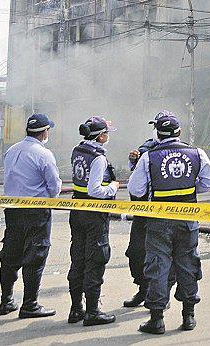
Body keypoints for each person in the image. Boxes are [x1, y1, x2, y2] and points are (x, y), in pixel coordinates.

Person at [127, 111, 210, 335]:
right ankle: (188, 316)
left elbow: (135, 189)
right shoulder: (197, 153)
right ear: (179, 132)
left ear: (157, 133)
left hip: (158, 221)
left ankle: (156, 320)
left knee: (158, 266)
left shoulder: (148, 157)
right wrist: (190, 188)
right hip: (187, 218)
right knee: (188, 264)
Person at [0, 113, 62, 319]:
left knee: (10, 254)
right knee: (35, 256)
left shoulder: (12, 150)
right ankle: (30, 304)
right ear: (45, 132)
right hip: (36, 212)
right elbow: (54, 187)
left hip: (13, 210)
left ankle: (6, 300)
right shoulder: (44, 154)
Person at [67, 116, 120, 326]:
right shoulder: (98, 157)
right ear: (100, 136)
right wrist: (113, 187)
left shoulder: (77, 150)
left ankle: (75, 309)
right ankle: (92, 311)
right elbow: (95, 189)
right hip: (94, 213)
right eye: (107, 133)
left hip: (77, 210)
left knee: (77, 258)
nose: (108, 136)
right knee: (96, 259)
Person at [122, 129, 164, 308]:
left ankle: (161, 295)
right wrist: (134, 160)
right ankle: (143, 289)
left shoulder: (177, 150)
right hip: (142, 212)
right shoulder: (146, 148)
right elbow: (136, 184)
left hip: (163, 215)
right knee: (136, 252)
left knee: (162, 256)